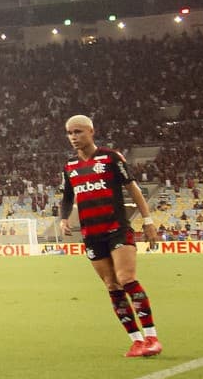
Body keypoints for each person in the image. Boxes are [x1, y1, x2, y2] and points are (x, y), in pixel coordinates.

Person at [59, 114, 163, 358]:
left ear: (91, 131)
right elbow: (66, 197)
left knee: (126, 278)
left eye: (78, 132)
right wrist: (64, 218)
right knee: (111, 285)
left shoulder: (110, 158)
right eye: (70, 133)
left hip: (117, 228)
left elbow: (133, 189)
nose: (73, 137)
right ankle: (136, 340)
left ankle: (151, 337)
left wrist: (148, 222)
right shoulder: (69, 167)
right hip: (91, 234)